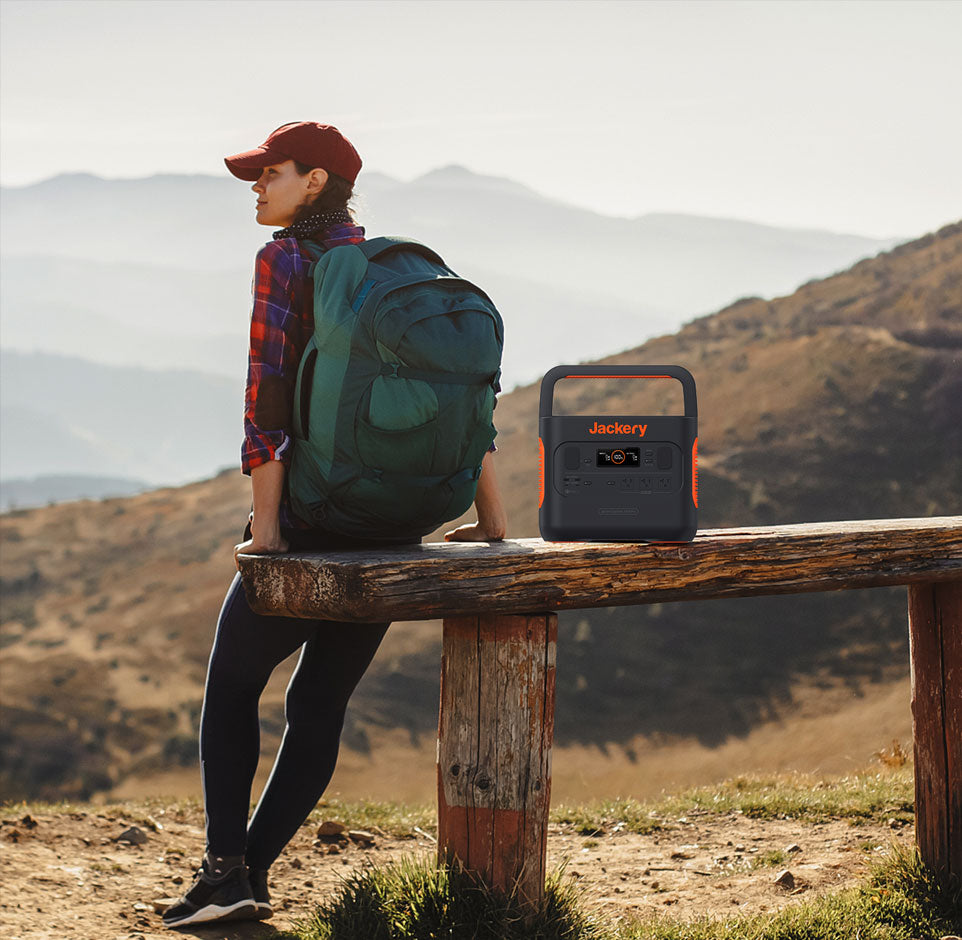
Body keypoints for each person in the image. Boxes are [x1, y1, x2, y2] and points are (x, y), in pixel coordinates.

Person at [163, 122, 507, 928]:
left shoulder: (288, 260)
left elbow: (268, 396)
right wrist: (491, 521)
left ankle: (226, 871)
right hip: (395, 520)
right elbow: (474, 402)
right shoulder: (401, 268)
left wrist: (269, 530)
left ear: (315, 181)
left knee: (231, 688)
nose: (258, 187)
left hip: (316, 518)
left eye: (271, 173)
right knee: (319, 704)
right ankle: (248, 875)